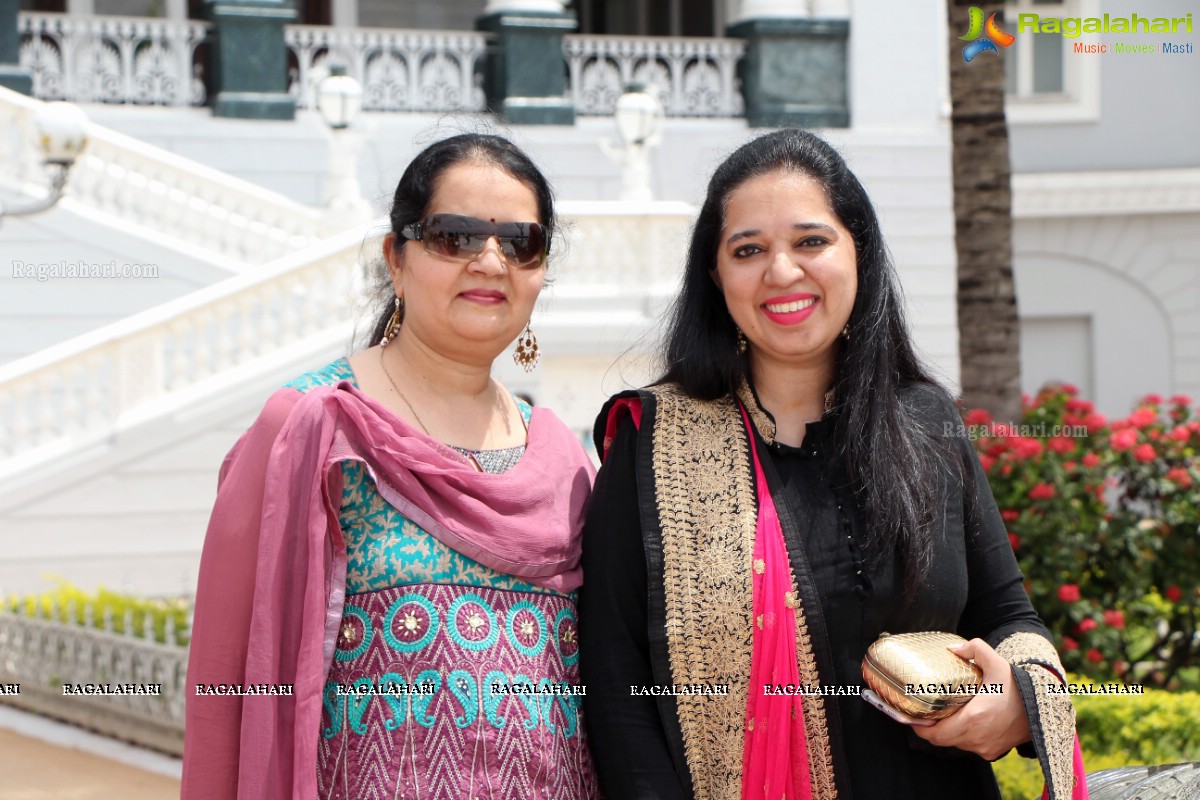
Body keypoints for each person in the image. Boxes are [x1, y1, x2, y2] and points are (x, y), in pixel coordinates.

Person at [578, 129, 1086, 800]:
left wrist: (1020, 705)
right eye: (749, 249)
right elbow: (617, 687)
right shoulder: (652, 443)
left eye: (811, 241)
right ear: (715, 275)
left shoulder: (926, 424)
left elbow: (1008, 614)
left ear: (859, 252)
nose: (782, 271)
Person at [182, 133, 598, 800]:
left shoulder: (565, 457)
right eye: (455, 236)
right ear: (395, 258)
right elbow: (228, 686)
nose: (491, 260)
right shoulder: (312, 429)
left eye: (520, 242)